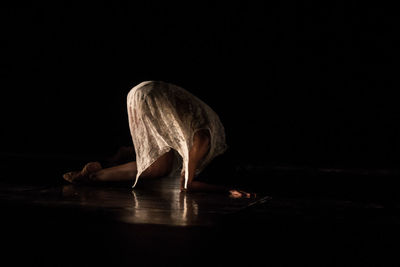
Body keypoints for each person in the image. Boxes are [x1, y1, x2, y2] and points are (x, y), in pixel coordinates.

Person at [63, 81, 255, 198]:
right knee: (161, 168)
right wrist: (227, 190)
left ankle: (101, 171)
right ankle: (100, 173)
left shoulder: (207, 134)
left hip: (145, 90)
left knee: (160, 164)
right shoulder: (203, 142)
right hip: (153, 96)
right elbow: (187, 186)